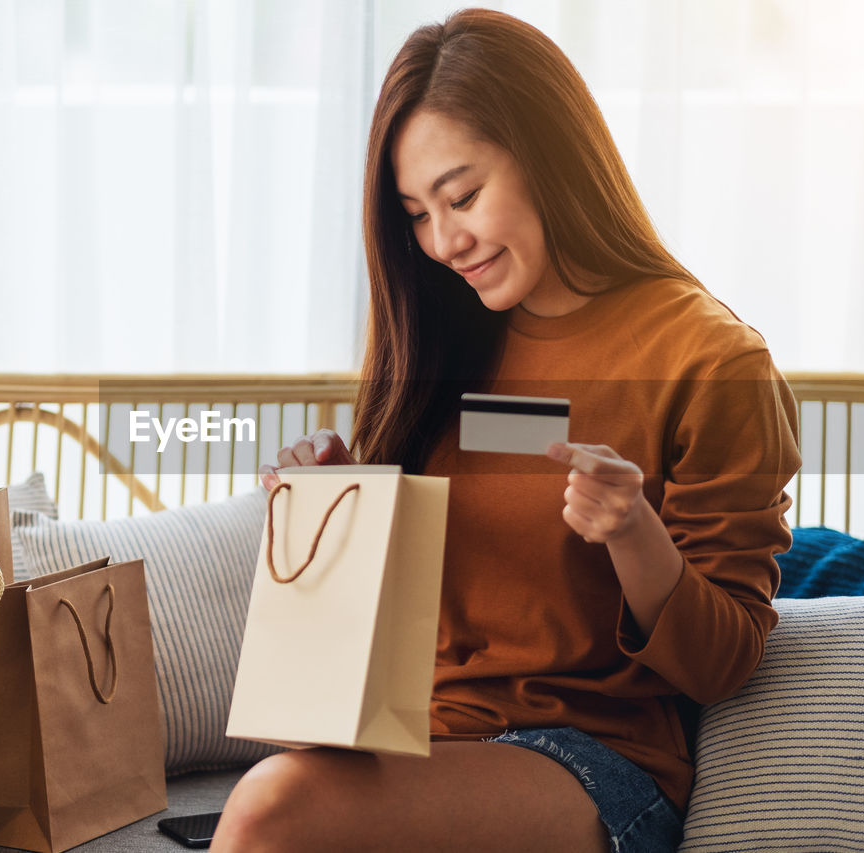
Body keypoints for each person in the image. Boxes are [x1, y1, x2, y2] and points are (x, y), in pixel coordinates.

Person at [213, 9, 800, 852]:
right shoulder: (441, 338)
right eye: (416, 213)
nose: (443, 241)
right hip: (419, 741)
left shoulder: (710, 359)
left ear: (550, 155)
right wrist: (346, 503)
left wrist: (634, 532)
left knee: (274, 810)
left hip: (599, 762)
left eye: (462, 196)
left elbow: (725, 660)